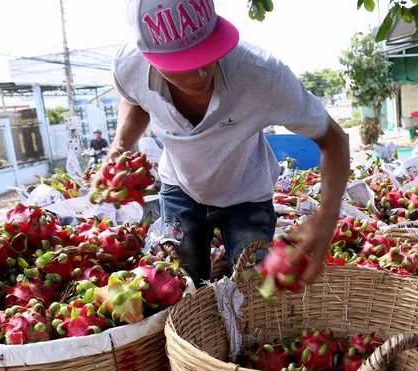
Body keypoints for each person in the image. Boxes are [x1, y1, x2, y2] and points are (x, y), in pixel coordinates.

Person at [103, 0, 350, 286]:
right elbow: (135, 99)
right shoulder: (127, 65)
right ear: (147, 58)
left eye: (208, 53)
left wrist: (326, 218)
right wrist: (119, 147)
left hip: (246, 193)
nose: (200, 74)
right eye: (182, 64)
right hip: (179, 187)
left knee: (252, 289)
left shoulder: (261, 75)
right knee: (181, 284)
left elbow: (333, 140)